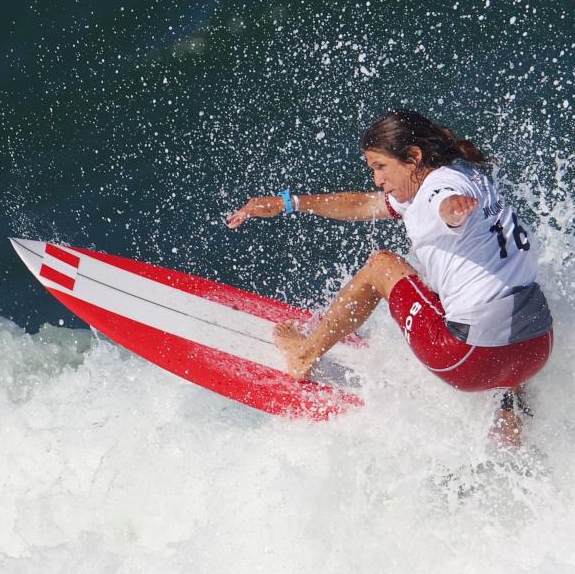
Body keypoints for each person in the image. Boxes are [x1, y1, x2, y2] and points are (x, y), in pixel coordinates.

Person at [227, 109, 553, 449]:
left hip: (468, 361)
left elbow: (443, 205)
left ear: (413, 157)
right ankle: (511, 410)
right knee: (479, 285)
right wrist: (289, 203)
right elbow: (364, 204)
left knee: (382, 265)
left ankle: (305, 354)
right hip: (536, 350)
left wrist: (452, 211)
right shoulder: (466, 172)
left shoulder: (437, 192)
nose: (377, 180)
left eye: (380, 167)